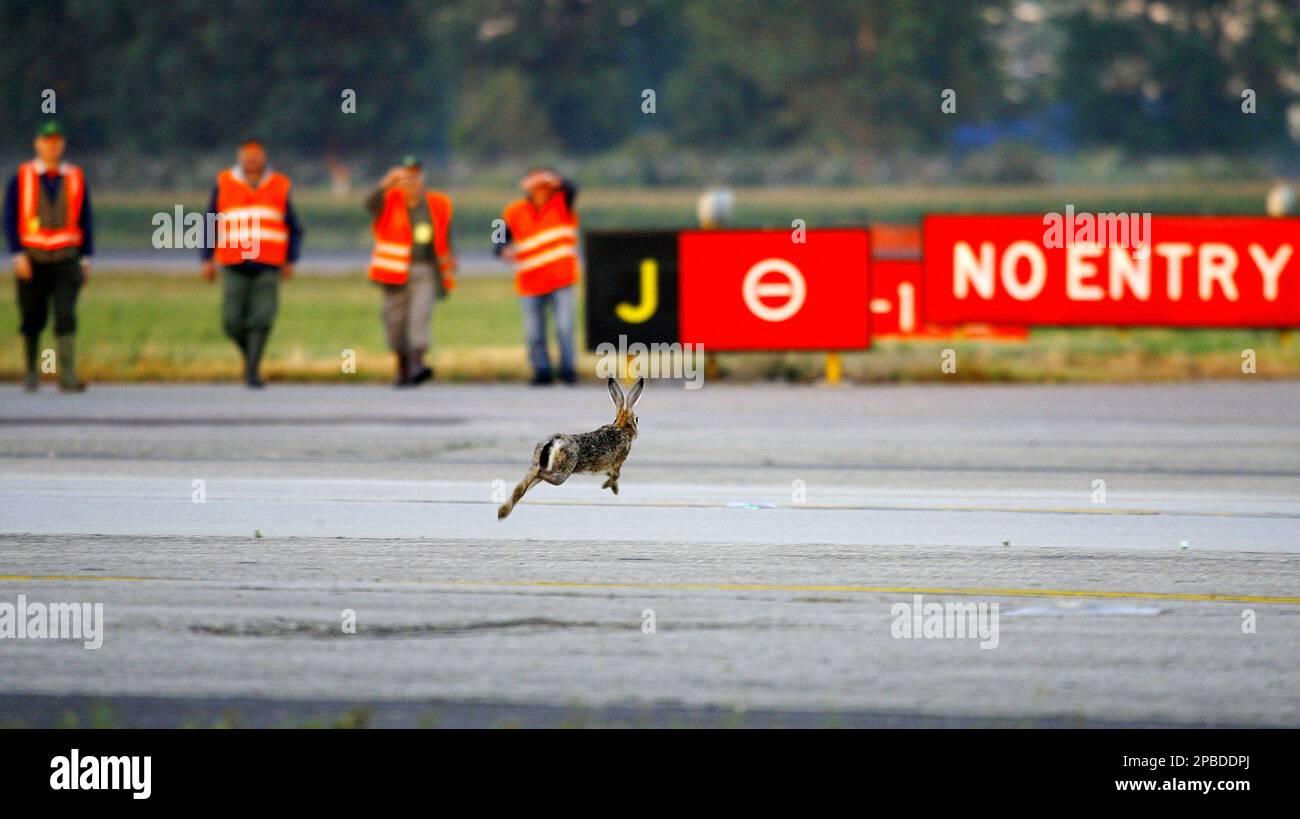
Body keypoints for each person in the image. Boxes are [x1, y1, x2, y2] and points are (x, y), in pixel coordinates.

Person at [200, 139, 302, 388]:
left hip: (268, 262)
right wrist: (207, 258)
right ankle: (251, 358)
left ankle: (252, 372)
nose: (252, 161)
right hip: (234, 261)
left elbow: (294, 227)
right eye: (247, 156)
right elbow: (210, 221)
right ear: (240, 158)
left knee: (262, 318)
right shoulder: (224, 182)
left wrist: (291, 258)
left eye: (257, 156)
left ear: (264, 158)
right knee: (231, 321)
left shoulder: (278, 185)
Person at [5, 121, 93, 393]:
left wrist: (85, 258)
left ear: (62, 144)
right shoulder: (23, 176)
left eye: (56, 141)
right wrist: (17, 253)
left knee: (65, 314)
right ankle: (35, 371)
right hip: (33, 257)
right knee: (32, 315)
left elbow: (85, 219)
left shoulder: (75, 177)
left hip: (67, 257)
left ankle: (66, 374)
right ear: (37, 144)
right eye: (47, 141)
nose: (52, 146)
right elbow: (9, 217)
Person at [366, 156, 456, 386]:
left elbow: (445, 233)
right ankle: (403, 368)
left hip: (425, 270)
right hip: (393, 272)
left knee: (420, 317)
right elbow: (369, 205)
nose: (411, 183)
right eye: (406, 178)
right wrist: (385, 183)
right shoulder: (389, 201)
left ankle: (417, 364)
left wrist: (451, 259)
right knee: (394, 323)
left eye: (415, 177)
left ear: (422, 178)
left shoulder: (438, 203)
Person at [495, 168, 580, 385]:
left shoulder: (562, 204)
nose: (541, 191)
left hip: (561, 278)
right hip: (531, 281)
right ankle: (542, 371)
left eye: (544, 187)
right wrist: (502, 249)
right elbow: (497, 235)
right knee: (534, 333)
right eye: (536, 187)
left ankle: (568, 371)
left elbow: (572, 188)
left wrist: (555, 178)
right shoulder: (514, 210)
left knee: (565, 327)